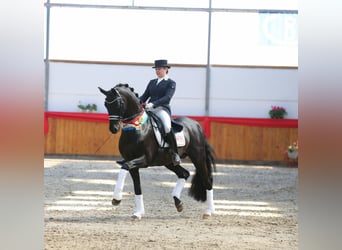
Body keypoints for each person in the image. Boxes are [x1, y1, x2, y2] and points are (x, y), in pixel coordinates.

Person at [140, 59, 181, 166]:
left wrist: (153, 104)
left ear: (166, 69)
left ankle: (175, 153)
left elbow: (167, 98)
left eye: (159, 69)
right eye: (156, 69)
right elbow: (144, 96)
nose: (157, 71)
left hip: (162, 109)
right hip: (149, 109)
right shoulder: (152, 82)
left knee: (167, 127)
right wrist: (137, 102)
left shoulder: (171, 83)